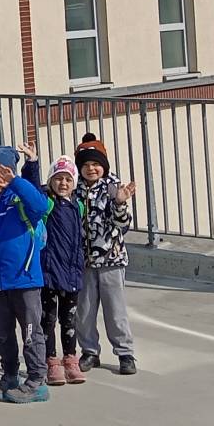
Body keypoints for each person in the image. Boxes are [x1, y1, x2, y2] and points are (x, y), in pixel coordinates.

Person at [0, 145, 51, 404]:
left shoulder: (20, 200)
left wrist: (16, 181)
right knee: (3, 334)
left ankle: (37, 381)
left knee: (30, 332)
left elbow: (41, 205)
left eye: (0, 174)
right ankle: (9, 376)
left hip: (24, 280)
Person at [72, 134, 139, 376]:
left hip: (111, 259)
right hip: (84, 262)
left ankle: (125, 353)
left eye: (96, 164)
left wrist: (120, 203)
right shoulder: (74, 189)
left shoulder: (113, 188)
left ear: (104, 166)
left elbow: (122, 225)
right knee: (85, 311)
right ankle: (90, 351)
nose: (91, 169)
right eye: (86, 165)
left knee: (115, 310)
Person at [39, 157, 86, 386]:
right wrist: (32, 163)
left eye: (68, 179)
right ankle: (51, 360)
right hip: (49, 272)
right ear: (50, 181)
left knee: (69, 320)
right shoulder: (47, 203)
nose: (63, 183)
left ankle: (70, 358)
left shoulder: (78, 206)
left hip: (72, 272)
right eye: (58, 178)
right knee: (47, 319)